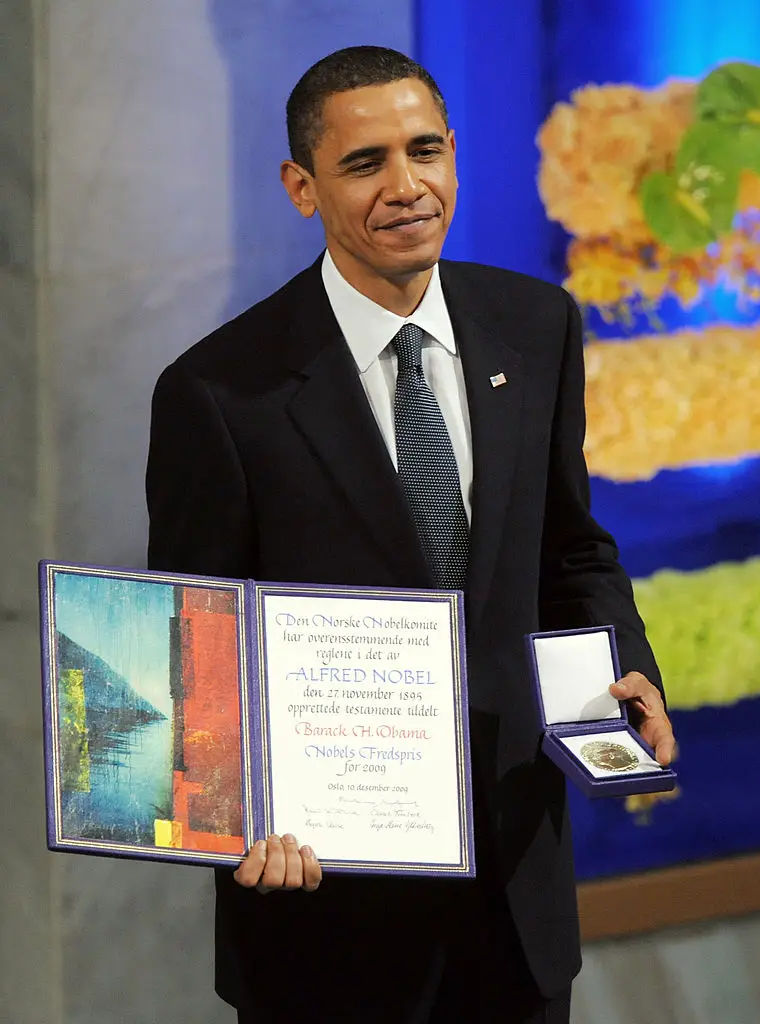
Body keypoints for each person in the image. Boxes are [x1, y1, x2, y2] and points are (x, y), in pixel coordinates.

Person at [146, 45, 674, 1024]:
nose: (405, 186)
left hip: (515, 898)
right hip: (326, 920)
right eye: (364, 163)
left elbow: (569, 547)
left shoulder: (536, 324)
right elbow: (192, 652)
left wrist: (626, 663)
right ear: (300, 187)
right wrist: (236, 817)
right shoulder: (219, 392)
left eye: (423, 151)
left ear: (453, 156)